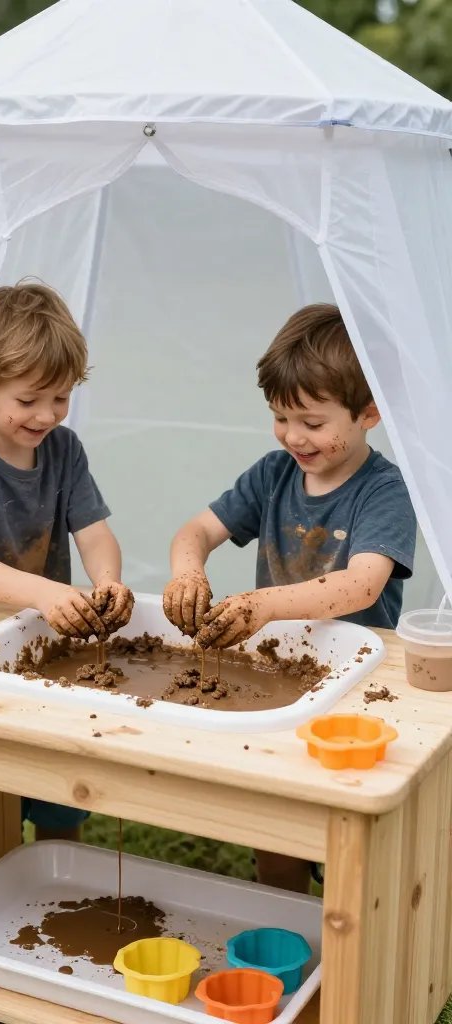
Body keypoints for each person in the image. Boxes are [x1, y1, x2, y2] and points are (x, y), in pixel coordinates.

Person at [163, 303, 416, 892]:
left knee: (348, 832)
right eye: (280, 417)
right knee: (276, 816)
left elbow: (362, 584)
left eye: (311, 421)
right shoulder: (274, 475)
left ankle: (351, 928)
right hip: (278, 672)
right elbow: (194, 532)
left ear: (369, 413)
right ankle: (285, 910)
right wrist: (187, 572)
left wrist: (264, 605)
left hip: (357, 679)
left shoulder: (384, 490)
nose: (293, 436)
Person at [0, 281, 134, 840]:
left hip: (40, 635)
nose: (47, 415)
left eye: (61, 398)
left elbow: (95, 534)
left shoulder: (64, 451)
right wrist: (44, 591)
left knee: (62, 777)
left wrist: (107, 581)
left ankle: (60, 877)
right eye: (28, 400)